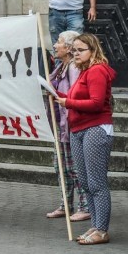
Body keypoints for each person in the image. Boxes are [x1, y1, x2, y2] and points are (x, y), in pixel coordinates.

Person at [58, 33, 116, 245]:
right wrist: (55, 94)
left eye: (80, 50)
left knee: (96, 182)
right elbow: (74, 99)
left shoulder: (97, 70)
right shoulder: (83, 72)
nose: (75, 54)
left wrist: (68, 103)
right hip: (78, 129)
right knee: (84, 181)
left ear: (93, 50)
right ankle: (95, 224)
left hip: (95, 129)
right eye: (73, 50)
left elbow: (97, 103)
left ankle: (102, 229)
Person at [45, 30, 90, 222]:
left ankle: (84, 206)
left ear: (69, 48)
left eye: (59, 42)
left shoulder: (73, 67)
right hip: (59, 124)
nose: (55, 45)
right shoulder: (61, 66)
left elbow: (73, 95)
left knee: (74, 167)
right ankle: (66, 204)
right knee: (61, 167)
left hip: (70, 124)